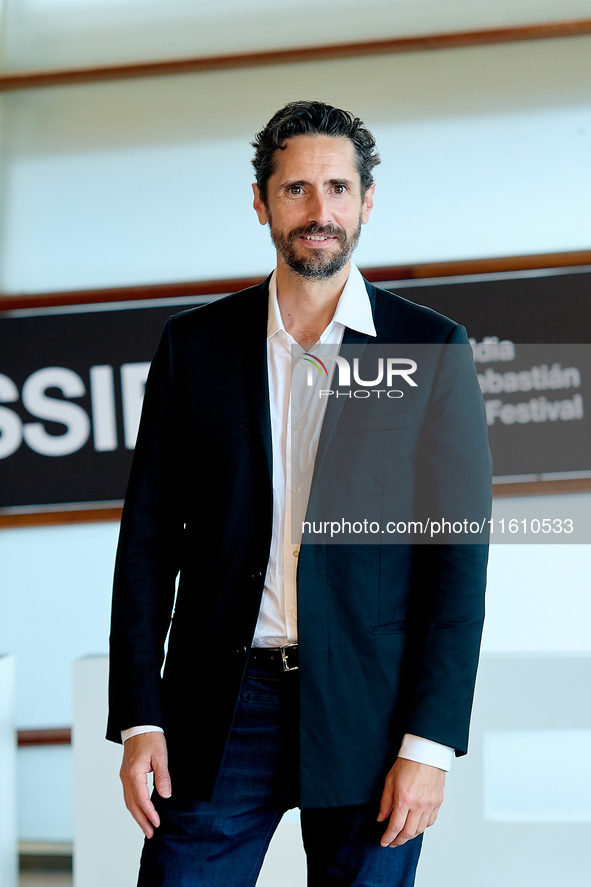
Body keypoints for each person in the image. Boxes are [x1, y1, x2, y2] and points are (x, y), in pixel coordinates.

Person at [107, 100, 492, 886]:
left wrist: (429, 744)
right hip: (218, 706)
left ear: (367, 200)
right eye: (295, 190)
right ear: (259, 201)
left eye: (338, 188)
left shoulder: (430, 346)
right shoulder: (195, 346)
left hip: (369, 710)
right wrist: (141, 715)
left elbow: (458, 560)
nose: (320, 212)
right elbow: (147, 542)